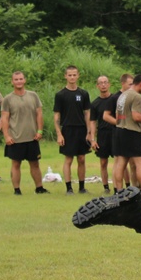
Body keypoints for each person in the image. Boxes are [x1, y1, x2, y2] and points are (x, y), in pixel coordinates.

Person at [0, 71, 47, 195]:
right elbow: (4, 118)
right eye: (16, 79)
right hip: (15, 138)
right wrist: (6, 136)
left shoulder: (33, 96)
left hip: (32, 137)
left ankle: (39, 188)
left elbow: (39, 114)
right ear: (12, 82)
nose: (19, 81)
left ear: (24, 80)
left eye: (21, 79)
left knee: (35, 164)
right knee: (16, 164)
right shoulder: (8, 99)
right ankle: (17, 190)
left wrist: (40, 131)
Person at [53, 65, 93, 195]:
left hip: (81, 129)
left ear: (78, 75)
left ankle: (82, 187)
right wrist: (59, 134)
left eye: (74, 75)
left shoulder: (83, 94)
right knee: (68, 159)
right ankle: (69, 188)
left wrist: (89, 131)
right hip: (67, 129)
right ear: (65, 76)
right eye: (69, 75)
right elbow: (56, 116)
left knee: (81, 158)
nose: (72, 77)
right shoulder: (60, 95)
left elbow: (87, 113)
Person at [90, 75, 117, 193]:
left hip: (116, 132)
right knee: (103, 162)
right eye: (100, 83)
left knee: (119, 161)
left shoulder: (115, 99)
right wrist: (92, 139)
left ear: (109, 84)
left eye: (105, 82)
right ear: (97, 86)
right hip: (102, 134)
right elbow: (92, 122)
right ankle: (106, 187)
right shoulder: (95, 103)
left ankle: (120, 186)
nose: (103, 85)